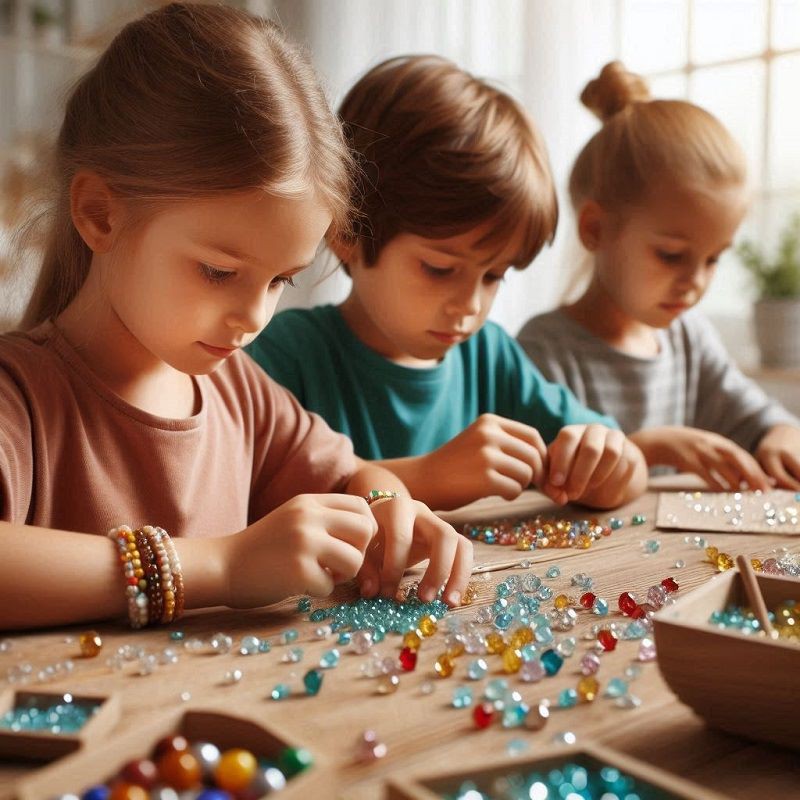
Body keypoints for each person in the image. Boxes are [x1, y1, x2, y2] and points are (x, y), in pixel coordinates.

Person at [0, 4, 472, 631]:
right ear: (100, 214)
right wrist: (220, 567)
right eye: (219, 272)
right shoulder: (21, 400)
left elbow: (355, 474)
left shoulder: (240, 392)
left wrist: (388, 506)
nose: (254, 316)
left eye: (281, 280)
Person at [248, 55, 647, 511]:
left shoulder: (489, 356)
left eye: (493, 275)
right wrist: (428, 477)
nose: (469, 305)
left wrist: (608, 463)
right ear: (347, 233)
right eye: (439, 269)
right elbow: (248, 497)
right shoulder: (283, 356)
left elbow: (627, 471)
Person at [517, 61, 800, 492]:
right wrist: (651, 448)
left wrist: (779, 434)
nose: (696, 282)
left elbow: (762, 418)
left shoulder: (689, 341)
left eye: (713, 259)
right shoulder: (544, 351)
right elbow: (544, 480)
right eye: (672, 256)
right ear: (595, 229)